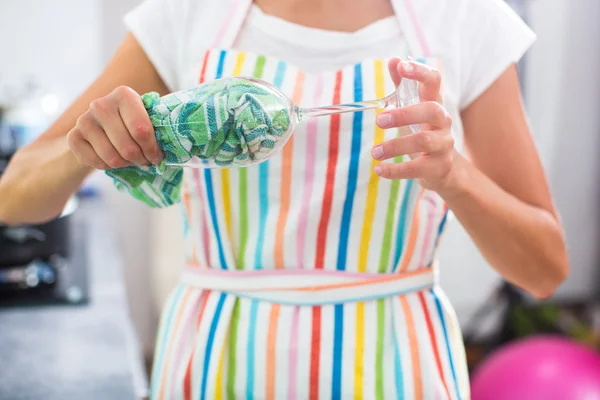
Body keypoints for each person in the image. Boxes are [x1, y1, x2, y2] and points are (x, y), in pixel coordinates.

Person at [0, 0, 569, 398]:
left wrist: (455, 177)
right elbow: (15, 196)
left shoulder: (465, 16)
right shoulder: (186, 13)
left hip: (397, 368)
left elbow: (543, 269)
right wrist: (89, 147)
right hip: (214, 363)